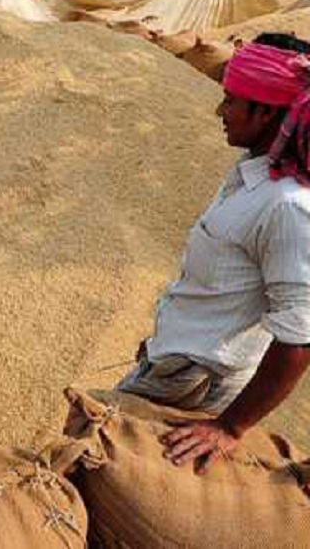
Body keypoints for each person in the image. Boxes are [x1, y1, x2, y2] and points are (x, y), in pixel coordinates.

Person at [116, 33, 310, 474]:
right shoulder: (253, 176)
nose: (220, 111)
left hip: (194, 383)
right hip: (174, 366)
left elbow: (299, 337)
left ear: (267, 112)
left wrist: (230, 428)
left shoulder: (288, 207)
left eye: (232, 100)